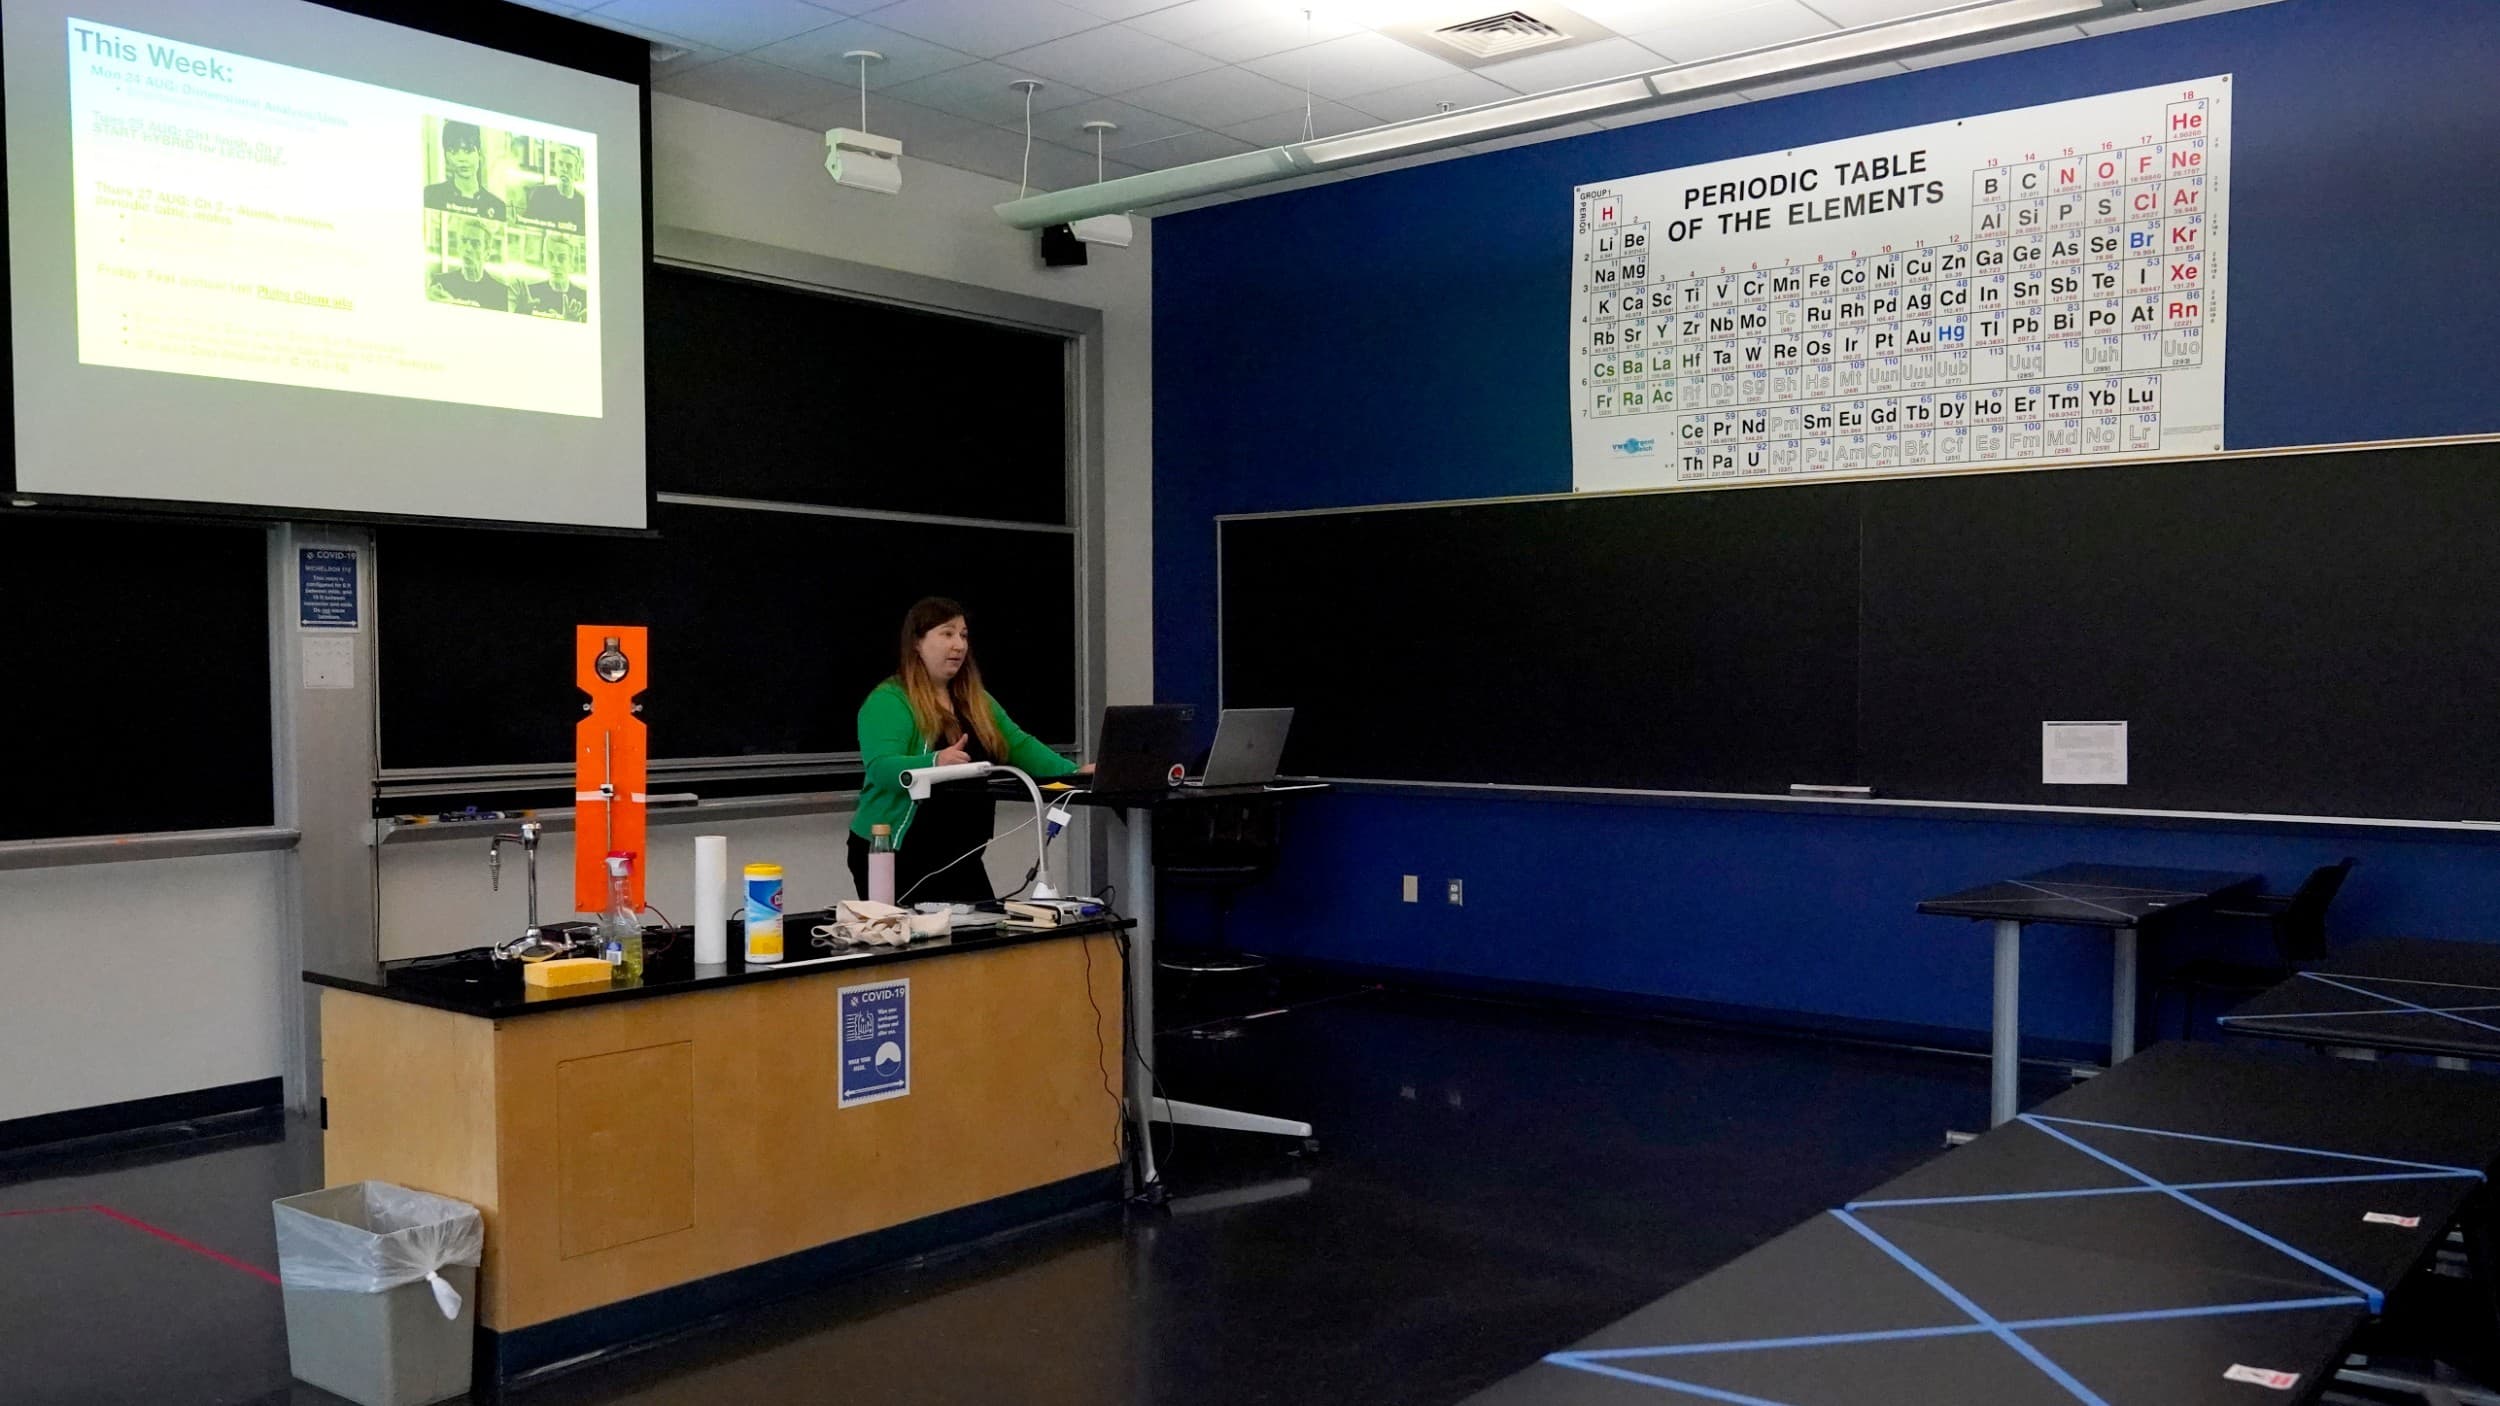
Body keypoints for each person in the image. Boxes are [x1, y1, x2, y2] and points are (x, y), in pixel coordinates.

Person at [852, 598, 1088, 905]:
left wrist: (1072, 772)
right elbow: (881, 769)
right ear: (916, 643)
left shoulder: (975, 699)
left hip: (961, 854)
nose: (959, 645)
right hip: (898, 853)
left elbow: (1018, 744)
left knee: (983, 941)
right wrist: (935, 761)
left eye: (963, 635)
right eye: (947, 634)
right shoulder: (889, 701)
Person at [422, 120, 506, 221]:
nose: (462, 158)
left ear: (479, 154)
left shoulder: (496, 206)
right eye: (454, 152)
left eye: (468, 151)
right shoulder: (432, 195)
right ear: (445, 156)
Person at [428, 218, 509, 309]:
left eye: (475, 244)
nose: (468, 249)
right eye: (464, 241)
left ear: (487, 253)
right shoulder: (441, 284)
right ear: (458, 246)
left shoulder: (500, 293)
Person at [516, 235, 588, 322]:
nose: (555, 264)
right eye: (550, 256)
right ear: (544, 260)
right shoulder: (530, 295)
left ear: (571, 263)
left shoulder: (585, 299)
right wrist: (520, 313)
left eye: (561, 258)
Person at [518, 144, 585, 233]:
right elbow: (525, 224)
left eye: (569, 166)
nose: (564, 169)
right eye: (560, 164)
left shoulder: (582, 204)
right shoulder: (540, 194)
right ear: (555, 167)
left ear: (577, 172)